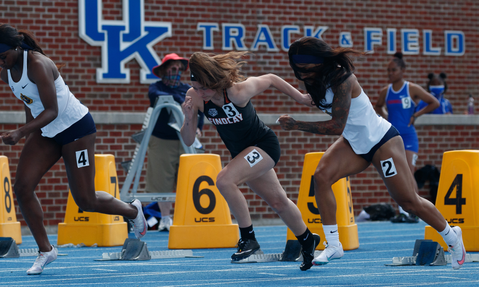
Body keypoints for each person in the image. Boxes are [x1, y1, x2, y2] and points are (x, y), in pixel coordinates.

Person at [277, 36, 465, 270]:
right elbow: (315, 102)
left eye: (305, 68)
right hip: (354, 142)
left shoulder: (343, 78)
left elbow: (336, 125)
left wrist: (297, 124)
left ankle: (451, 235)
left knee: (408, 202)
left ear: (318, 62)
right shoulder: (314, 79)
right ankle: (334, 244)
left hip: (381, 141)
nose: (302, 74)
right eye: (297, 69)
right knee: (321, 177)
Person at [0, 24, 147, 275]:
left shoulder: (38, 64)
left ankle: (132, 209)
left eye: (2, 56)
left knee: (86, 200)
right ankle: (46, 251)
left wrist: (21, 132)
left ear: (17, 49)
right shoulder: (6, 74)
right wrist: (29, 130)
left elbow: (52, 110)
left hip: (76, 130)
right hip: (47, 132)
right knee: (22, 186)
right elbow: (31, 105)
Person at [180, 51, 320, 271]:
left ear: (216, 82)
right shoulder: (195, 97)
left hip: (263, 146)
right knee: (278, 202)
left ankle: (248, 239)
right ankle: (307, 239)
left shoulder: (237, 92)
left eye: (204, 89)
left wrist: (301, 98)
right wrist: (188, 119)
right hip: (244, 154)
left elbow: (272, 78)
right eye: (196, 88)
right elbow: (188, 140)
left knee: (225, 180)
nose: (200, 93)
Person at [374, 53, 439, 223]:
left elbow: (434, 102)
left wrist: (415, 115)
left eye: (394, 70)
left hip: (409, 137)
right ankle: (404, 211)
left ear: (402, 70)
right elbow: (378, 106)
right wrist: (386, 118)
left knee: (408, 173)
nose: (390, 73)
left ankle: (416, 211)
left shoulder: (412, 89)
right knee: (396, 175)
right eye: (388, 70)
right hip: (392, 138)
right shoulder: (385, 91)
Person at [147, 53, 204, 231]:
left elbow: (199, 108)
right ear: (164, 70)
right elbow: (160, 97)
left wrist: (197, 127)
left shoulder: (187, 89)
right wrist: (181, 102)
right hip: (162, 140)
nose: (176, 72)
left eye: (179, 69)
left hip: (185, 139)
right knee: (162, 180)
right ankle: (164, 218)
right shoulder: (155, 88)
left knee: (189, 178)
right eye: (172, 68)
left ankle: (188, 216)